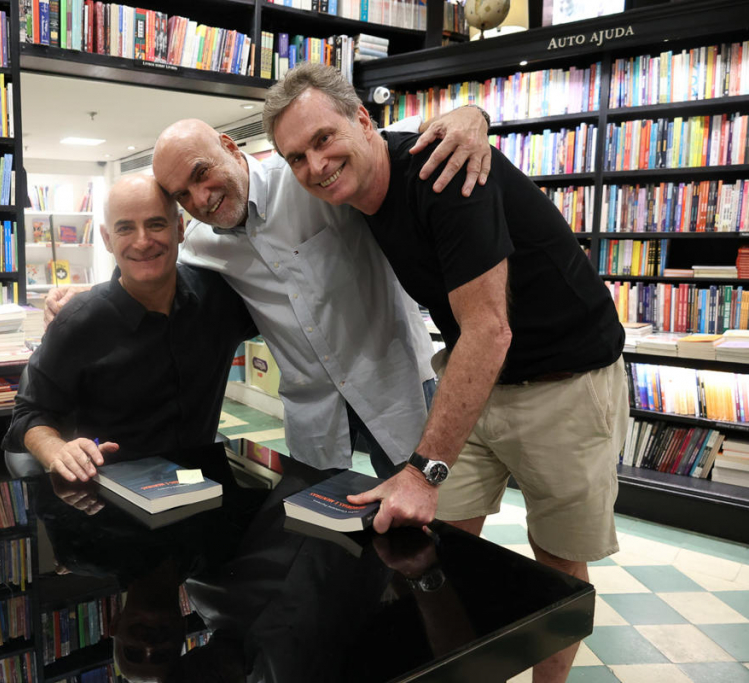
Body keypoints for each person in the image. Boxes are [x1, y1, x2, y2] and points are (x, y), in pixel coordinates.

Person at [264, 63, 626, 683]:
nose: (315, 165)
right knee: (434, 552)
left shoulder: (442, 171)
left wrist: (423, 471)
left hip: (564, 381)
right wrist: (473, 112)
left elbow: (491, 329)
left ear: (361, 119)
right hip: (475, 381)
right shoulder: (365, 190)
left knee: (555, 562)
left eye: (323, 139)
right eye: (296, 158)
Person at [46, 106, 493, 475]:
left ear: (229, 147)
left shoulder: (311, 177)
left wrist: (471, 115)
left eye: (203, 174)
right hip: (315, 417)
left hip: (397, 391)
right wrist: (86, 303)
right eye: (183, 195)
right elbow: (147, 265)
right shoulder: (200, 242)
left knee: (422, 538)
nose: (201, 198)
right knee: (323, 544)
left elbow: (386, 142)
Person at [3, 175, 255, 482]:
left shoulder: (218, 299)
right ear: (107, 240)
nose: (142, 241)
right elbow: (28, 415)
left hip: (203, 488)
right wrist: (56, 449)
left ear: (180, 229)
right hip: (108, 501)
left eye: (156, 224)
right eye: (125, 228)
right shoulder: (77, 323)